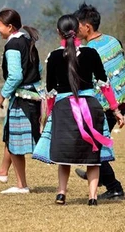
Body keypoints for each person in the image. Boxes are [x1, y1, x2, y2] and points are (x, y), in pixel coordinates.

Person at [32, 14, 124, 206]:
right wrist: (115, 109)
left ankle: (61, 193)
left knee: (64, 154)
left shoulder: (54, 56)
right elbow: (104, 84)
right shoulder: (92, 54)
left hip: (64, 108)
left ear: (59, 32)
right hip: (90, 107)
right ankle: (92, 198)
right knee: (93, 155)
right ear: (78, 31)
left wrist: (49, 116)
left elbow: (50, 91)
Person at [74, 2, 125, 200]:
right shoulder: (113, 41)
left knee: (93, 147)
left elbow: (95, 82)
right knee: (96, 144)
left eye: (78, 25)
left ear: (87, 26)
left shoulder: (89, 50)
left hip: (106, 106)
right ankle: (96, 175)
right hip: (121, 101)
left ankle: (114, 187)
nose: (76, 30)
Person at [0, 8, 42, 194]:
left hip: (21, 98)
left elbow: (14, 76)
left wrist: (3, 94)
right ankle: (3, 172)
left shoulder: (12, 46)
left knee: (15, 142)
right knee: (12, 137)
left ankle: (21, 185)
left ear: (9, 27)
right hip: (33, 95)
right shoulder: (28, 41)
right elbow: (38, 69)